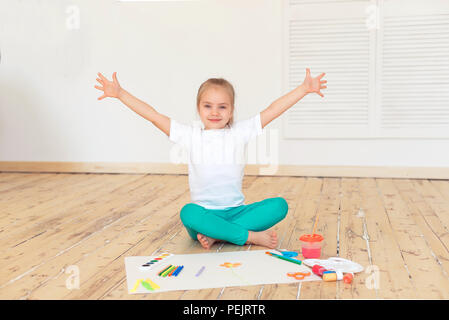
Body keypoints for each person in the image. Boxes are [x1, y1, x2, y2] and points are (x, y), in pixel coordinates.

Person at [94, 69, 326, 249]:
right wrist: (120, 94)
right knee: (188, 212)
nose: (215, 112)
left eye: (222, 107)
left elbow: (273, 110)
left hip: (236, 212)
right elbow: (154, 116)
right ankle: (247, 237)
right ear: (199, 108)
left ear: (232, 110)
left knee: (279, 206)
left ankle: (218, 235)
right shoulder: (190, 135)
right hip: (204, 217)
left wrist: (303, 89)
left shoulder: (239, 132)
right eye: (208, 106)